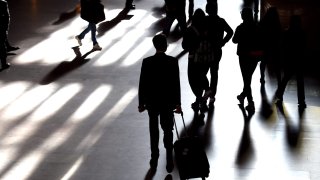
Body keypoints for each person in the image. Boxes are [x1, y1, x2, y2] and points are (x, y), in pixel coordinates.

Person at [138, 34, 182, 173]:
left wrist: (141, 103)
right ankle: (169, 157)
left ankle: (154, 157)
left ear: (154, 46)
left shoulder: (147, 62)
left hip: (152, 101)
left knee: (153, 129)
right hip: (167, 101)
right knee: (168, 129)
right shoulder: (172, 62)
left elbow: (142, 84)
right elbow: (176, 84)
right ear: (166, 46)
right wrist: (178, 103)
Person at [182, 8, 210, 122]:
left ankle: (199, 99)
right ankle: (203, 97)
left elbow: (184, 45)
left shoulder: (190, 30)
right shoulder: (207, 28)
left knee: (193, 80)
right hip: (207, 58)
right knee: (202, 76)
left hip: (194, 59)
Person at [232, 7, 263, 111]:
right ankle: (243, 95)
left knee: (246, 79)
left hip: (243, 56)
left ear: (243, 16)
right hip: (254, 56)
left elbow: (234, 40)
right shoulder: (257, 27)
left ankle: (251, 102)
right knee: (247, 78)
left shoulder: (240, 28)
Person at [274, 15, 307, 109]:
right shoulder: (302, 33)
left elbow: (282, 46)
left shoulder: (287, 32)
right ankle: (301, 100)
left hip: (289, 59)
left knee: (285, 78)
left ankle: (279, 94)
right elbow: (304, 47)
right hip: (299, 59)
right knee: (300, 81)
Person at [205, 2, 234, 105]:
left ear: (207, 10)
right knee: (214, 73)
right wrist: (223, 42)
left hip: (205, 50)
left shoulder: (205, 20)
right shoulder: (221, 21)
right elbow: (230, 31)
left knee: (203, 72)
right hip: (217, 49)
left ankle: (205, 92)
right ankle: (212, 95)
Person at [259, 6, 282, 84]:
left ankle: (262, 77)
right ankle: (279, 81)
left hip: (265, 46)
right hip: (275, 46)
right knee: (276, 64)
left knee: (263, 63)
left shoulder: (263, 22)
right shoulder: (277, 23)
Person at [0, 0, 11, 71]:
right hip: (1, 28)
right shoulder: (3, 3)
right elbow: (7, 17)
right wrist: (5, 28)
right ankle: (3, 64)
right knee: (1, 45)